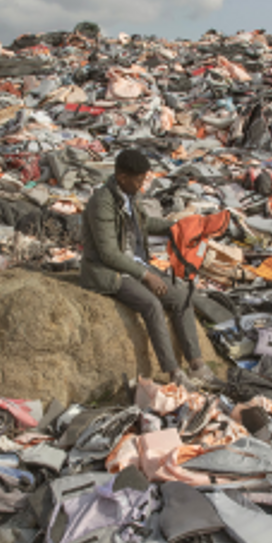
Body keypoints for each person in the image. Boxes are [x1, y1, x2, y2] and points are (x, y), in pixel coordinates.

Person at [79, 149, 214, 386]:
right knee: (152, 304)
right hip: (110, 270)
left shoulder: (128, 196)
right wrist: (146, 276)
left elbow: (144, 223)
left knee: (182, 297)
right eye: (139, 179)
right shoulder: (102, 203)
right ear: (122, 177)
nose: (142, 185)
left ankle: (196, 365)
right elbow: (109, 254)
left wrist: (176, 228)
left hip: (135, 263)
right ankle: (174, 373)